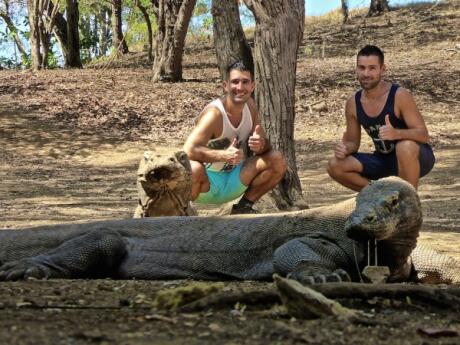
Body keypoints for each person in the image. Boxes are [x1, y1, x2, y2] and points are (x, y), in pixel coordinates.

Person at [183, 61, 287, 214]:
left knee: (276, 159)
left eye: (245, 82)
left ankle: (243, 207)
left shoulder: (250, 106)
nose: (240, 87)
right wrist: (223, 155)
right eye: (235, 82)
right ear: (225, 86)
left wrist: (261, 144)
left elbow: (266, 148)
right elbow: (187, 150)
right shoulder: (214, 114)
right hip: (205, 185)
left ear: (252, 86)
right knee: (194, 168)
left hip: (234, 180)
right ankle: (183, 212)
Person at [327, 45, 435, 191]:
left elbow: (423, 134)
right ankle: (381, 196)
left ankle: (408, 203)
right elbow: (353, 142)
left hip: (415, 157)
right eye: (362, 67)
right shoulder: (353, 102)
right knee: (335, 165)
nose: (366, 73)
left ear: (382, 69)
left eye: (372, 68)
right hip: (383, 160)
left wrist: (397, 134)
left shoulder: (399, 95)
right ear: (356, 70)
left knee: (405, 147)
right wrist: (345, 149)